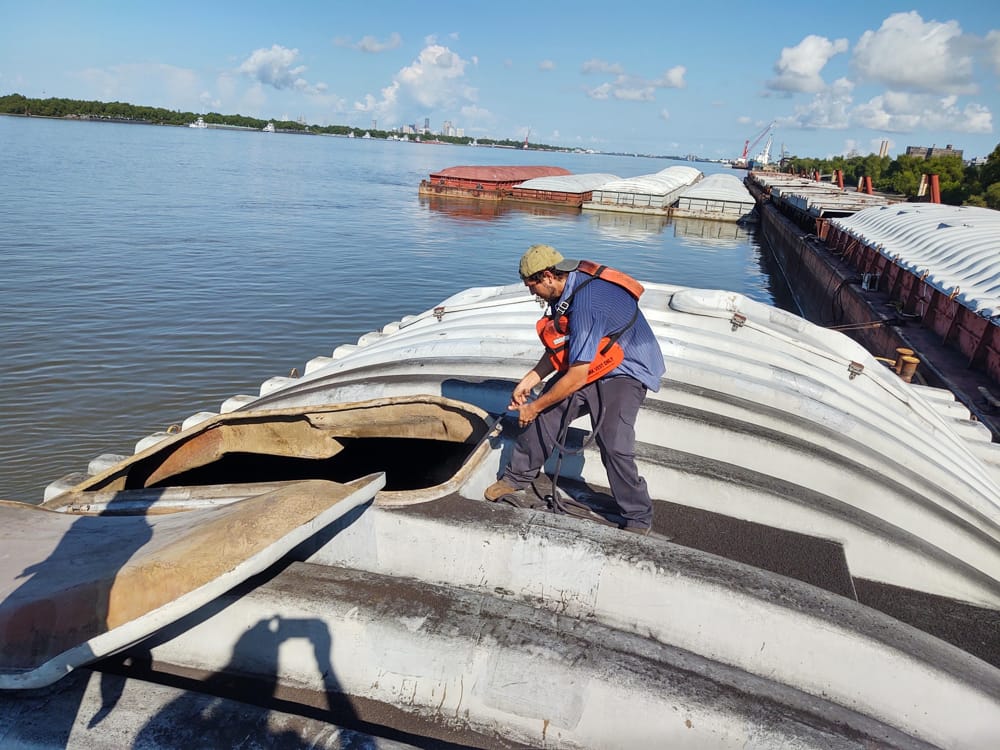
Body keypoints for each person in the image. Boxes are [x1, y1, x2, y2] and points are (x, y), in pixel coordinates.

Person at [484, 244, 666, 534]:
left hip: (626, 370)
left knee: (613, 443)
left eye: (531, 285)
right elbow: (564, 347)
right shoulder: (567, 289)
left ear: (547, 276)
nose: (531, 292)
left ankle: (638, 516)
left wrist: (533, 407)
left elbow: (577, 375)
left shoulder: (587, 304)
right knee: (547, 414)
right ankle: (515, 478)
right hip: (595, 359)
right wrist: (530, 379)